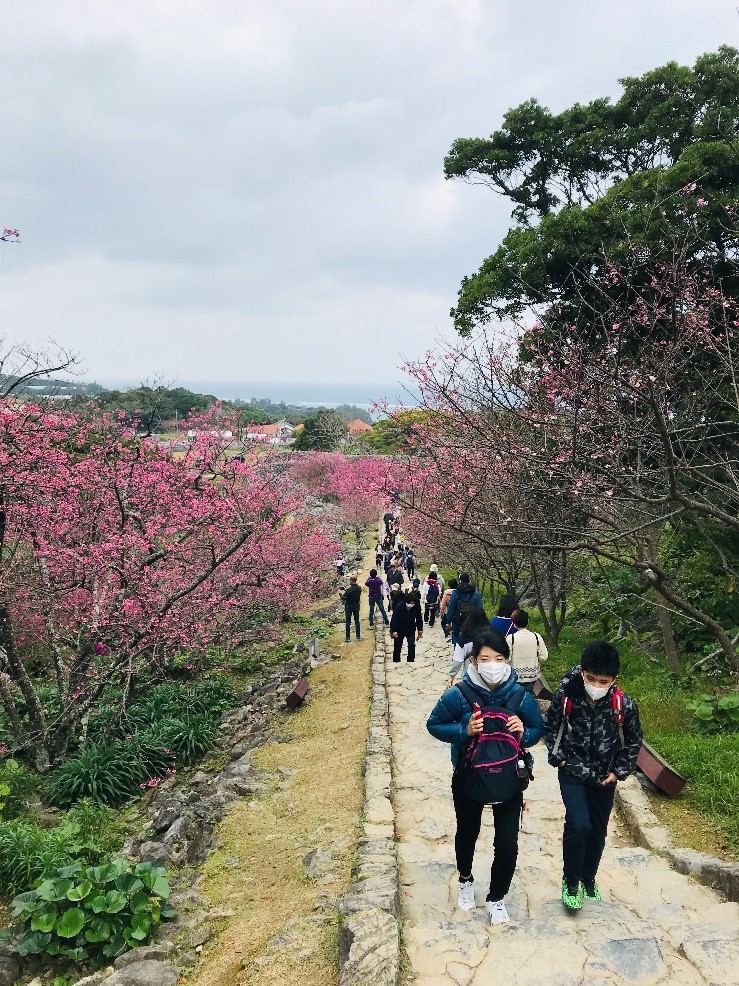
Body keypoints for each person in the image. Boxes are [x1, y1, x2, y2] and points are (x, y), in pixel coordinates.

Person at [427, 629, 544, 924]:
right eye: (485, 659)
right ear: (475, 662)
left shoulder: (520, 695)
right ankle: (465, 879)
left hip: (509, 778)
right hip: (469, 777)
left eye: (499, 658)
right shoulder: (459, 694)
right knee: (468, 833)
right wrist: (463, 731)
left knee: (507, 843)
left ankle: (496, 897)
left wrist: (523, 732)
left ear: (507, 660)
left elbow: (536, 731)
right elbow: (434, 724)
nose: (493, 664)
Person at [543, 641, 643, 912]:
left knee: (598, 831)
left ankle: (589, 878)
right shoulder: (567, 697)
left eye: (603, 680)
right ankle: (571, 881)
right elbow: (550, 726)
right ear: (582, 672)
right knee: (579, 825)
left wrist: (618, 772)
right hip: (572, 772)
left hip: (604, 778)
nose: (596, 685)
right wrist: (559, 758)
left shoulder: (624, 705)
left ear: (614, 679)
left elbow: (634, 741)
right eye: (591, 678)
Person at [506, 610, 548, 692]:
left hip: (515, 677)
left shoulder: (511, 638)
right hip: (532, 676)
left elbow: (507, 658)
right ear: (527, 621)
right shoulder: (536, 637)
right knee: (528, 696)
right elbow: (544, 657)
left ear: (514, 623)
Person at [447, 607, 491, 686]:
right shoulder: (491, 636)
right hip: (488, 677)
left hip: (469, 678)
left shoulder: (464, 638)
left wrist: (451, 675)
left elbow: (458, 660)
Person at [446, 573, 484, 647]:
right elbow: (480, 608)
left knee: (456, 636)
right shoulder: (476, 593)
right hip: (472, 621)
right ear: (469, 580)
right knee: (472, 639)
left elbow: (451, 608)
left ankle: (457, 654)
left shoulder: (455, 593)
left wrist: (448, 621)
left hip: (458, 621)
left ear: (460, 581)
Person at [390, 588, 423, 662]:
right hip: (399, 628)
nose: (412, 604)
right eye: (410, 603)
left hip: (410, 628)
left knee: (411, 645)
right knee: (397, 646)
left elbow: (419, 618)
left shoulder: (416, 607)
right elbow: (394, 619)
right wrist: (394, 630)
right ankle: (396, 661)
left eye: (413, 603)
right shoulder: (399, 606)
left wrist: (420, 629)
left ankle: (411, 660)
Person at [340, 576, 362, 643]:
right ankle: (358, 636)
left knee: (348, 622)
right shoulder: (359, 588)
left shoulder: (349, 590)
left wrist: (341, 594)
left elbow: (343, 598)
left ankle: (348, 637)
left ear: (351, 581)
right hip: (356, 605)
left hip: (349, 606)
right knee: (357, 621)